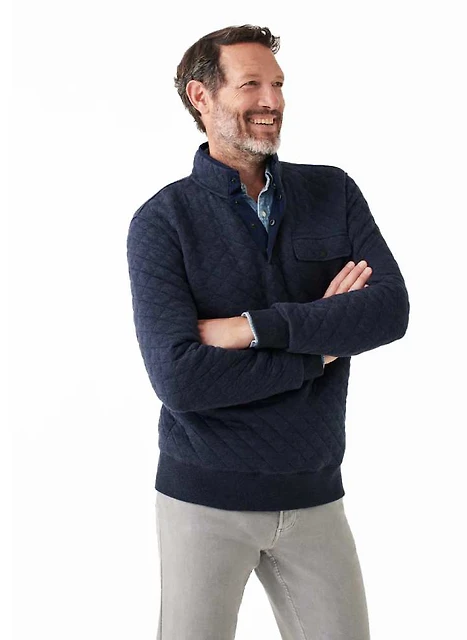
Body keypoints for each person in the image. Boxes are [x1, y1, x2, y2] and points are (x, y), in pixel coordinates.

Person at [126, 24, 409, 640]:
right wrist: (319, 351)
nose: (272, 101)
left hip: (315, 496)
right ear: (201, 97)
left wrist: (252, 328)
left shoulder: (332, 192)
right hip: (203, 501)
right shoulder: (162, 222)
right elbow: (181, 380)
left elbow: (390, 311)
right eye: (250, 84)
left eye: (278, 84)